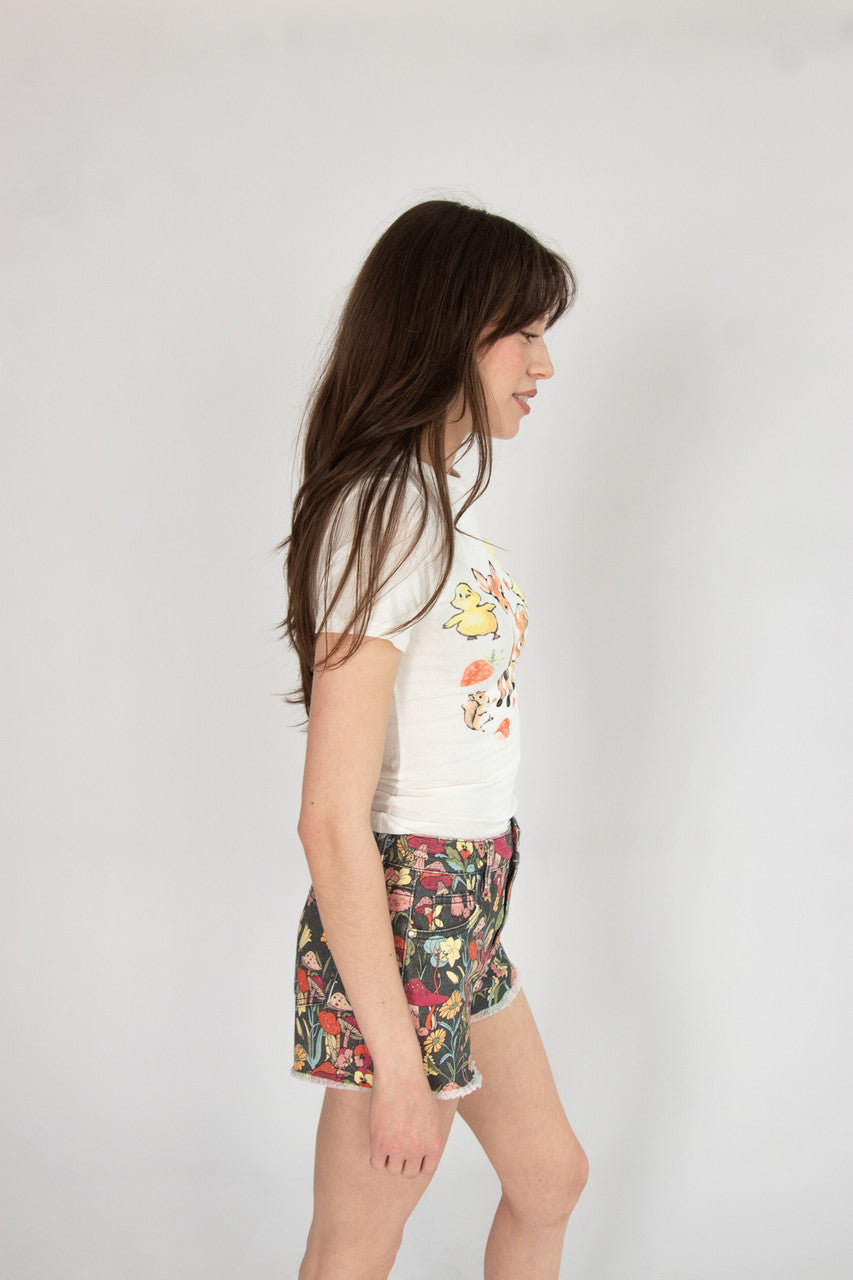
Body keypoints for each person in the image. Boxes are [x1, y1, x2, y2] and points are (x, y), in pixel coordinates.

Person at [279, 199, 589, 1280]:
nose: (543, 364)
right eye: (524, 333)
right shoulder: (385, 513)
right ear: (449, 330)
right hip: (408, 907)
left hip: (466, 897)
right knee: (358, 1240)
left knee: (548, 1177)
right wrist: (398, 1068)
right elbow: (329, 815)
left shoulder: (432, 501)